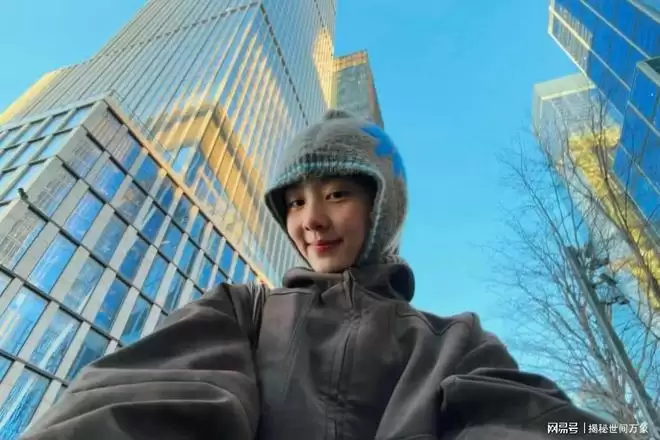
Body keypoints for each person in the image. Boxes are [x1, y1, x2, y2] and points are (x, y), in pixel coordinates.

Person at [22, 110, 633, 440]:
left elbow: (530, 420)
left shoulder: (454, 341)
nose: (310, 219)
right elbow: (142, 402)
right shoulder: (241, 312)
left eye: (337, 193)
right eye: (293, 202)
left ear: (383, 206)